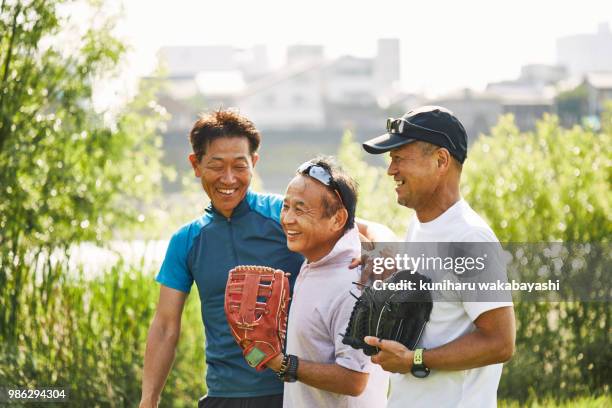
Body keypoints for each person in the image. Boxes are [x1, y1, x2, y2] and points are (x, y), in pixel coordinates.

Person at [139, 110, 391, 408]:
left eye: (239, 165)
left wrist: (381, 253)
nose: (229, 178)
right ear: (196, 165)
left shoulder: (284, 216)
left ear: (254, 164)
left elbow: (358, 226)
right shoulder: (187, 240)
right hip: (224, 394)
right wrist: (149, 400)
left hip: (291, 389)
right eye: (216, 166)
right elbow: (166, 326)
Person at [360, 106, 516, 408]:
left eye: (399, 158)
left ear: (440, 160)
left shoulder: (469, 239)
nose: (391, 170)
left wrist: (413, 360)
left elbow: (500, 342)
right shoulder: (419, 224)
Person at [265, 157, 388, 408]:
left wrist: (282, 363)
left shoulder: (354, 282)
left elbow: (354, 379)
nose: (287, 219)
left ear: (337, 219)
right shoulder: (317, 257)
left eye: (300, 209)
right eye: (285, 207)